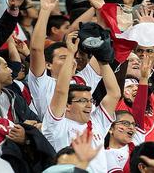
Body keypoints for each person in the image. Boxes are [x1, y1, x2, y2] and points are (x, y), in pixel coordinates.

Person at [42, 31, 121, 172]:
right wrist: (71, 53)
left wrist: (102, 59)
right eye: (83, 100)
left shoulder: (96, 122)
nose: (89, 104)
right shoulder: (56, 125)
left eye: (90, 100)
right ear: (67, 105)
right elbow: (61, 91)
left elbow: (114, 94)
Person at [28, 0, 102, 120]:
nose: (71, 61)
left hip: (87, 137)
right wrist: (45, 11)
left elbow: (102, 46)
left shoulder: (82, 81)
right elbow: (36, 49)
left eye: (71, 56)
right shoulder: (42, 82)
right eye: (63, 57)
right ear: (48, 65)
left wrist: (100, 10)